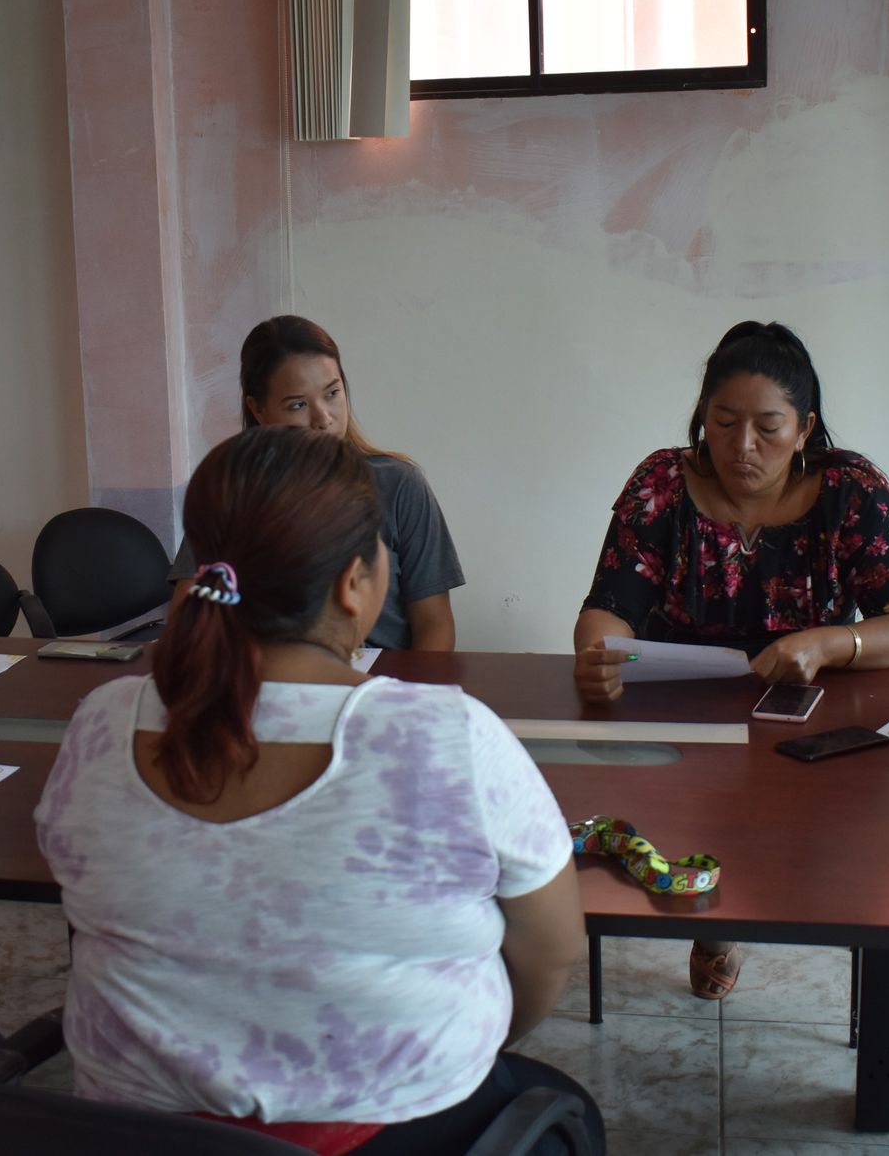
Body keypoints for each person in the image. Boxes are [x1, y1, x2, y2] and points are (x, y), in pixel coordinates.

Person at [37, 425, 603, 1155]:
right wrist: (459, 1047)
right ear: (352, 583)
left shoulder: (101, 723)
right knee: (567, 1110)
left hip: (139, 1136)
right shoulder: (448, 738)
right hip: (391, 1132)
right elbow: (551, 951)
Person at [573, 320, 889, 999]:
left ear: (804, 429)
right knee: (672, 815)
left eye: (768, 428)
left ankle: (780, 911)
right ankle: (715, 917)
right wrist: (597, 653)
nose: (743, 446)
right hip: (683, 714)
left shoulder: (852, 490)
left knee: (837, 842)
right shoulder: (662, 483)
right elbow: (609, 607)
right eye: (723, 422)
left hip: (810, 715)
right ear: (702, 417)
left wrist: (826, 643)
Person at [168, 315, 464, 650]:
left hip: (380, 677)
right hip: (266, 674)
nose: (323, 418)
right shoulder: (233, 492)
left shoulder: (399, 485)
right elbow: (186, 620)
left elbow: (435, 624)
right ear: (259, 410)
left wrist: (402, 687)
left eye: (332, 393)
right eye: (298, 404)